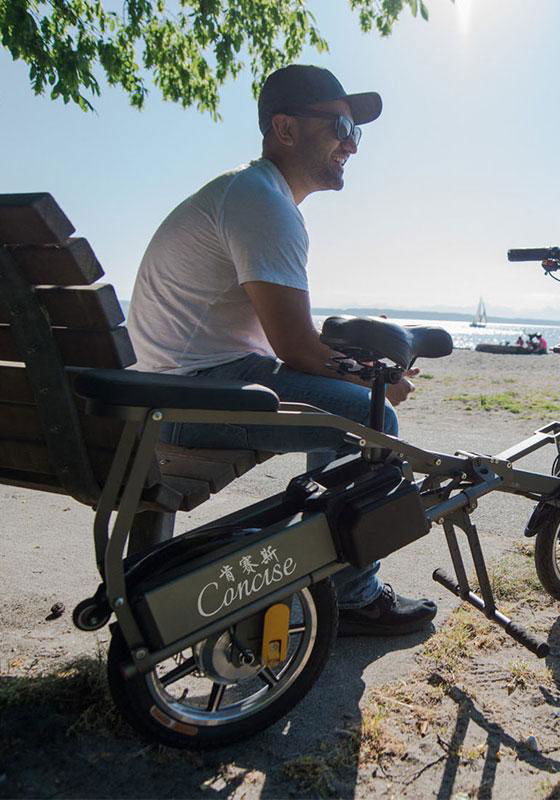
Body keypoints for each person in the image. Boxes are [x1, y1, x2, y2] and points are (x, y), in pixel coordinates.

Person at [127, 64, 436, 637]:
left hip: (169, 388)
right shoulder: (263, 203)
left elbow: (294, 343)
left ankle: (337, 570)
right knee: (370, 418)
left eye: (357, 132)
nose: (351, 144)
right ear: (285, 129)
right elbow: (296, 350)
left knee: (355, 402)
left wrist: (353, 366)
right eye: (340, 126)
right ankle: (355, 596)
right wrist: (376, 383)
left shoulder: (244, 193)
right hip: (192, 399)